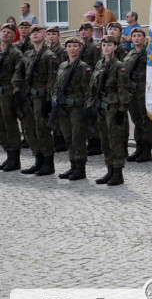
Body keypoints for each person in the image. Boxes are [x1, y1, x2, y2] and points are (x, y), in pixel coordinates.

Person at [14, 25, 59, 176]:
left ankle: (48, 161)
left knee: (42, 129)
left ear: (45, 35)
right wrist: (17, 92)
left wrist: (49, 100)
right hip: (28, 96)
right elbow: (18, 74)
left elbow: (53, 79)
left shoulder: (49, 55)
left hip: (41, 96)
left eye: (38, 32)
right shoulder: (27, 54)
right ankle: (38, 159)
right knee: (29, 129)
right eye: (32, 32)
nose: (34, 34)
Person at [51, 36, 94, 181]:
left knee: (78, 137)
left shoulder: (83, 67)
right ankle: (73, 165)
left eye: (75, 46)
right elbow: (57, 85)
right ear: (66, 49)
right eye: (69, 46)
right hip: (63, 107)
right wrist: (55, 98)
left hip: (77, 107)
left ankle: (80, 168)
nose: (72, 49)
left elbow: (88, 90)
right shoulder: (63, 65)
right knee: (68, 137)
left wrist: (88, 108)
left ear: (80, 48)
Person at [91, 35, 129, 186]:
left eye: (109, 45)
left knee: (115, 140)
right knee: (104, 140)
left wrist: (121, 110)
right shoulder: (99, 64)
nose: (106, 47)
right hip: (101, 106)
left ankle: (118, 173)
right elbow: (92, 87)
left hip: (114, 108)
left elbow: (124, 90)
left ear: (115, 47)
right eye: (104, 45)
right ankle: (110, 170)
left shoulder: (119, 66)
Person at [122, 27, 152, 162]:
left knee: (146, 120)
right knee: (136, 120)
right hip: (132, 92)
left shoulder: (147, 52)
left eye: (139, 36)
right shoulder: (130, 53)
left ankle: (147, 150)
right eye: (134, 36)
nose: (136, 38)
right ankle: (139, 147)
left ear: (144, 38)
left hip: (143, 90)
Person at [0, 23, 24, 171]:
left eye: (9, 32)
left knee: (10, 125)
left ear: (13, 36)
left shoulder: (16, 53)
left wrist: (16, 93)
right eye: (3, 31)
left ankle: (15, 158)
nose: (5, 34)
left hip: (8, 92)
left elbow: (18, 73)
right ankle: (8, 154)